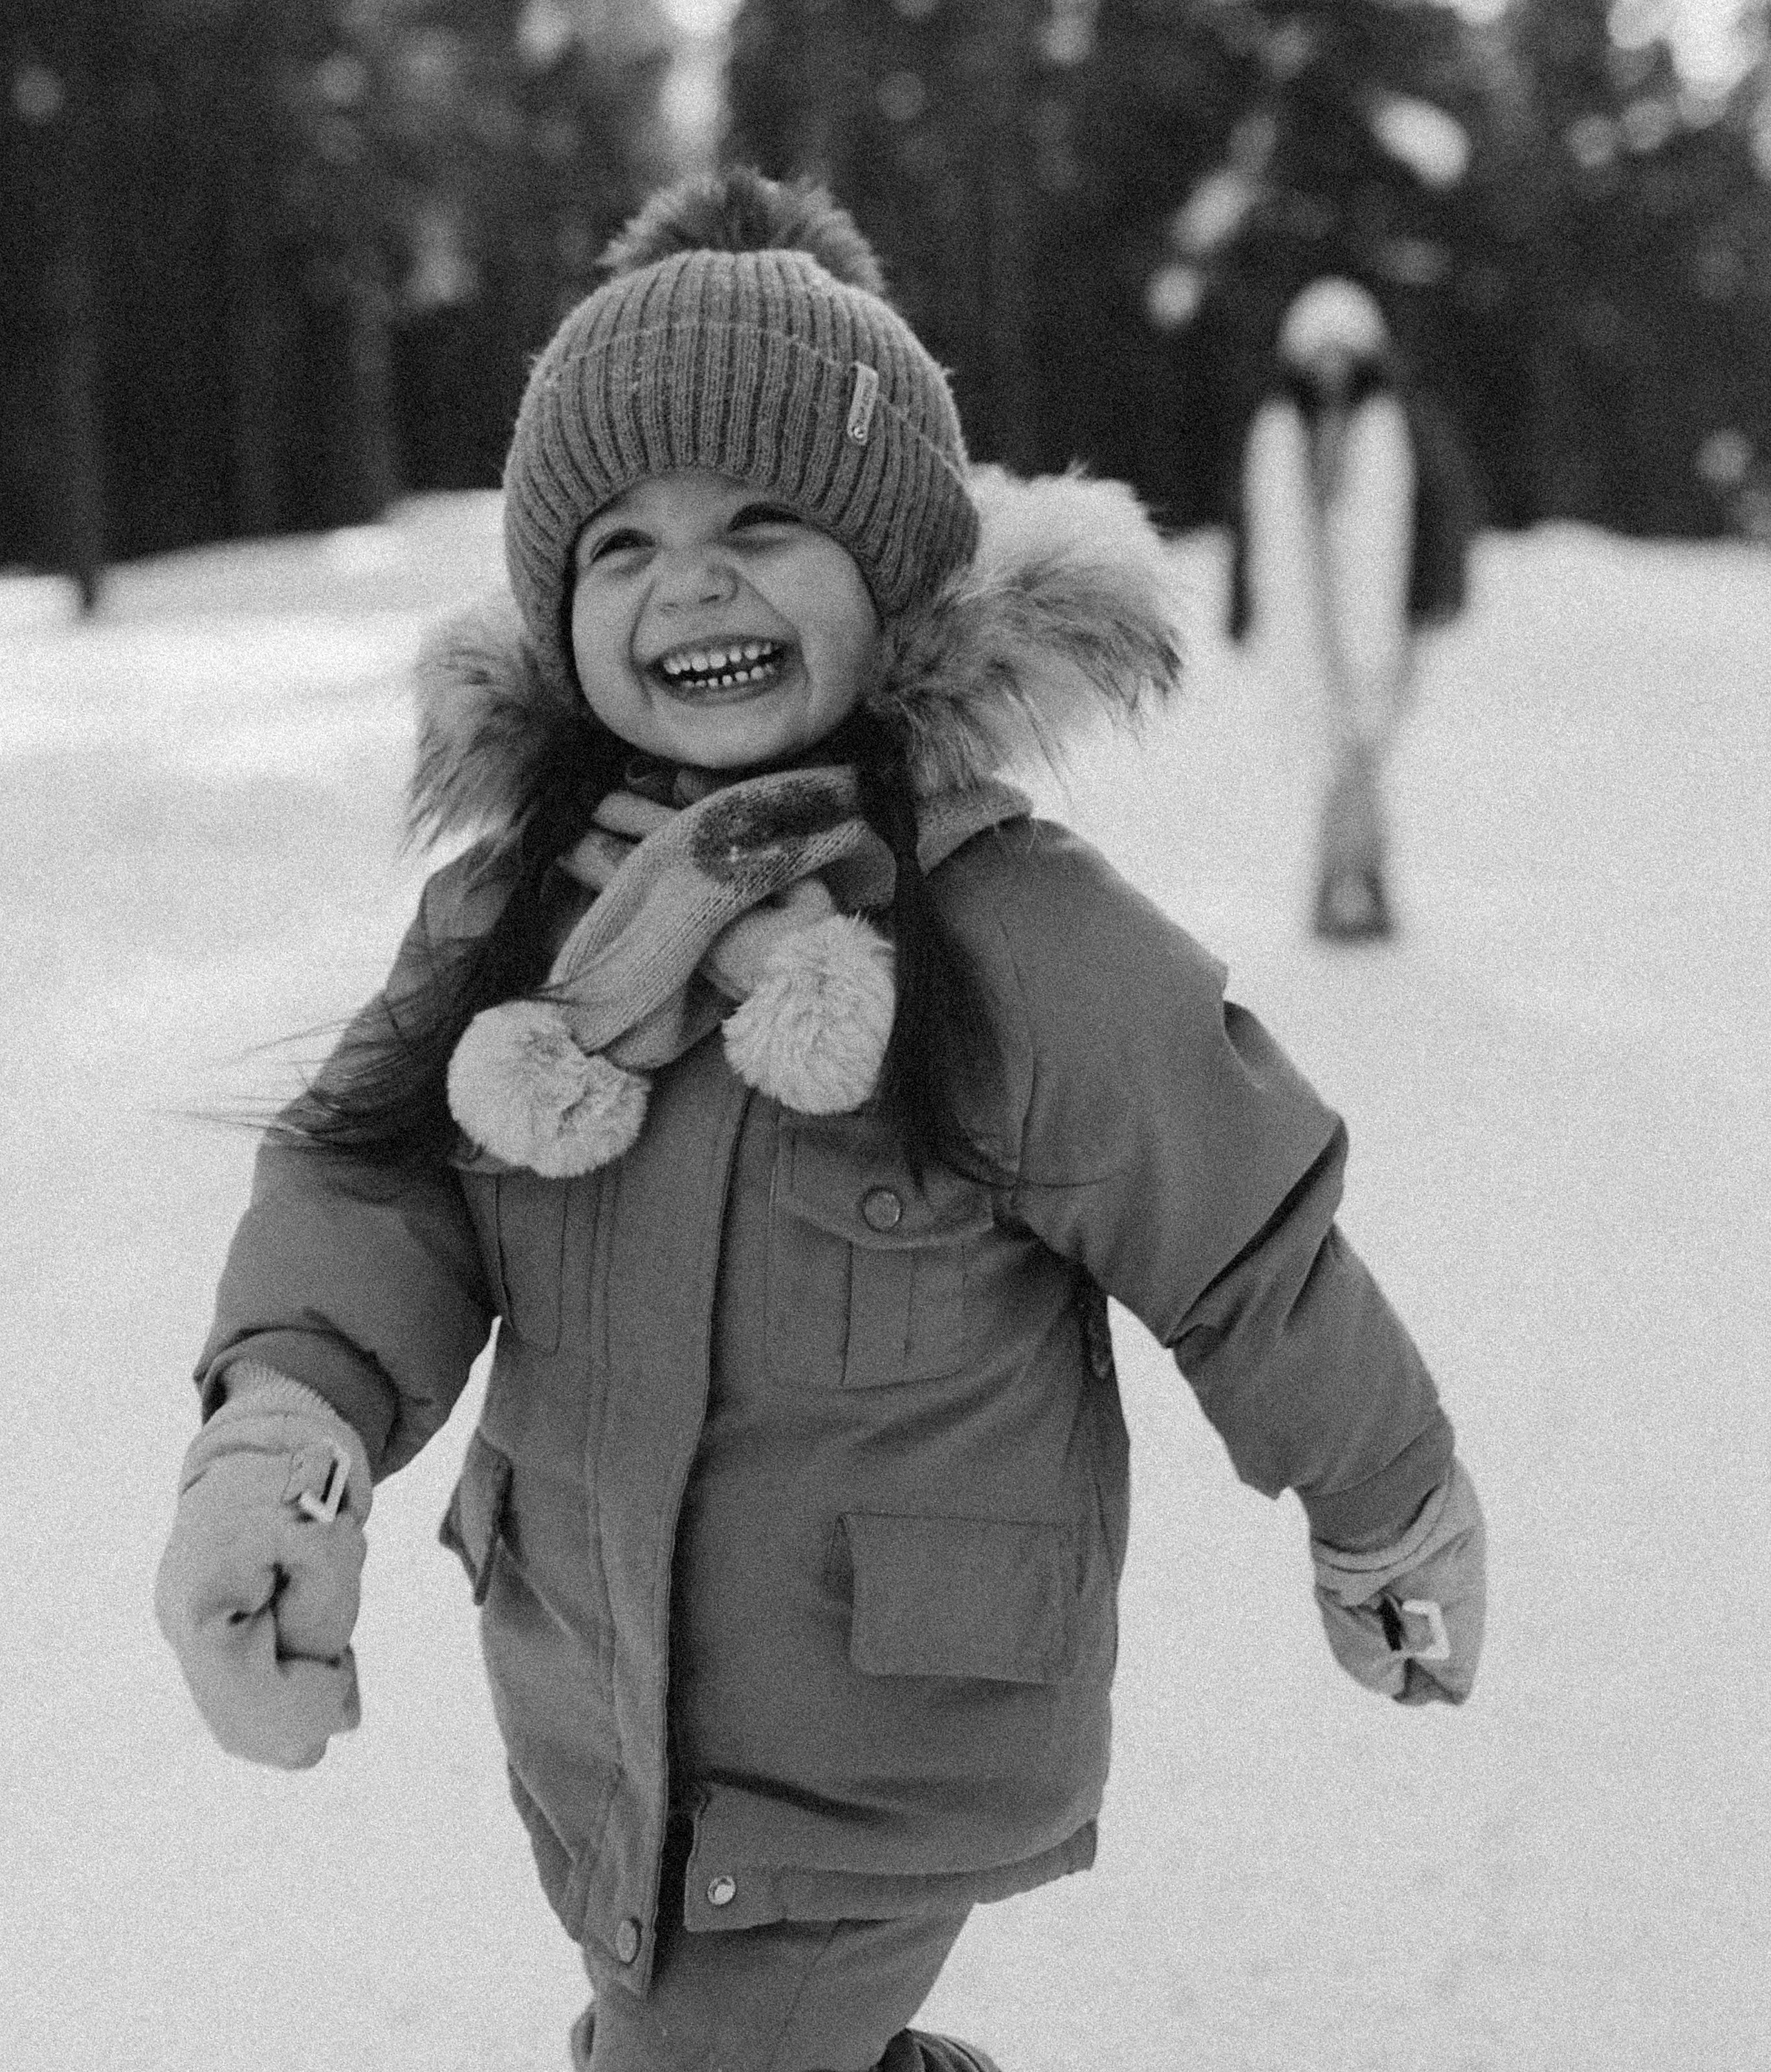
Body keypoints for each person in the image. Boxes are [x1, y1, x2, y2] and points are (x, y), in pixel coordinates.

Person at [155, 172, 1487, 2072]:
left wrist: (1389, 1501)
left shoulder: (1002, 930)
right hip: (600, 1693)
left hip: (879, 1729)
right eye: (618, 544)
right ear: (556, 611)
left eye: (761, 523)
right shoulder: (509, 928)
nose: (688, 579)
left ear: (894, 580)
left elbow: (1243, 1231)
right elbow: (376, 1192)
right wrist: (278, 1439)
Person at [1227, 277, 1478, 942]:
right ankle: (1352, 882)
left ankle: (1349, 882)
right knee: (1325, 749)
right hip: (1305, 613)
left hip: (1381, 615)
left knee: (1363, 749)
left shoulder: (1401, 427)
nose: (1332, 371)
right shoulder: (1278, 432)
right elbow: (1254, 526)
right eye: (1321, 356)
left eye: (1344, 356)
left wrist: (1436, 595)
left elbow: (1441, 513)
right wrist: (1243, 604)